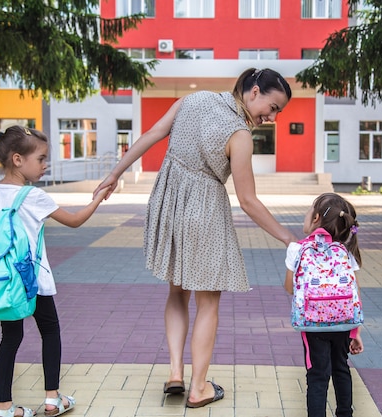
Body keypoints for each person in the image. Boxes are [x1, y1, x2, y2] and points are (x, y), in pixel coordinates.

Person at [93, 68, 296, 408]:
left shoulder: (193, 99)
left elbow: (152, 134)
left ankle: (176, 372)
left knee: (176, 290)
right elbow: (248, 201)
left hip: (169, 201)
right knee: (209, 302)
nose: (272, 117)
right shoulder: (240, 135)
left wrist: (114, 173)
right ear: (254, 92)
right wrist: (290, 238)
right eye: (273, 107)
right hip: (205, 212)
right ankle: (199, 387)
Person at [0, 125, 108, 417]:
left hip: (4, 280)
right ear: (17, 160)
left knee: (10, 338)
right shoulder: (32, 196)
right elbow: (75, 220)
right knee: (50, 331)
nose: (45, 164)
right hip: (33, 280)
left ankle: (3, 407)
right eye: (40, 159)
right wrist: (98, 198)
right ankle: (53, 398)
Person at [283, 193, 364, 417]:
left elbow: (290, 288)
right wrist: (355, 330)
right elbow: (353, 293)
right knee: (341, 368)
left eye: (309, 211)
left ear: (316, 218)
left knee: (318, 375)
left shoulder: (296, 249)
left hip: (312, 324)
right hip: (343, 323)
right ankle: (345, 413)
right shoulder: (345, 250)